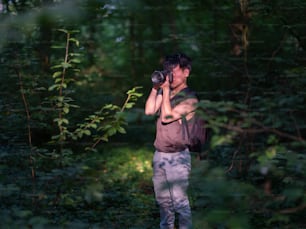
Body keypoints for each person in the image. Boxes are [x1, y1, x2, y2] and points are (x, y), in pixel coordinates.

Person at [145, 52, 198, 229]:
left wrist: (165, 90)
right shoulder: (165, 92)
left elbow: (167, 117)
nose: (171, 76)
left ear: (186, 72)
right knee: (163, 203)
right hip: (159, 155)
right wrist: (155, 87)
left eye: (174, 72)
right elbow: (150, 111)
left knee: (180, 203)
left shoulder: (190, 98)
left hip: (178, 157)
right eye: (169, 72)